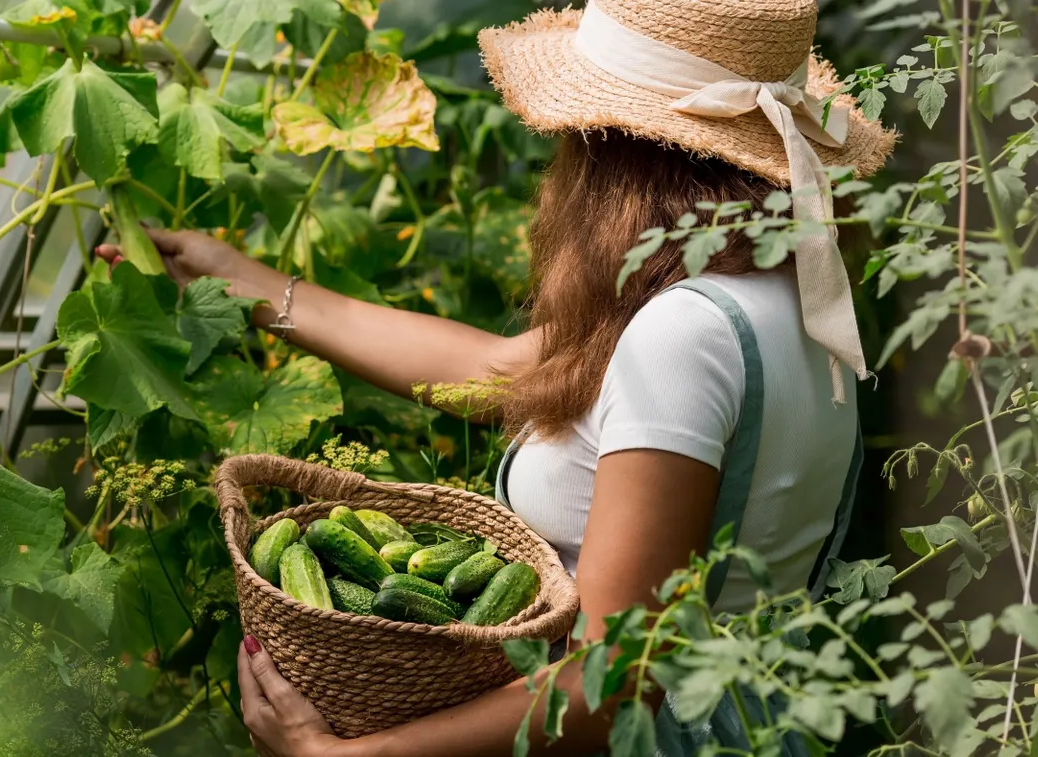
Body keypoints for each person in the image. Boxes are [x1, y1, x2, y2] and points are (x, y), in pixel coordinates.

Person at [98, 0, 896, 754]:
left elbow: (613, 679)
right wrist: (248, 282)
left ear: (613, 151)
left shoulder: (680, 336)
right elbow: (497, 369)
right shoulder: (787, 296)